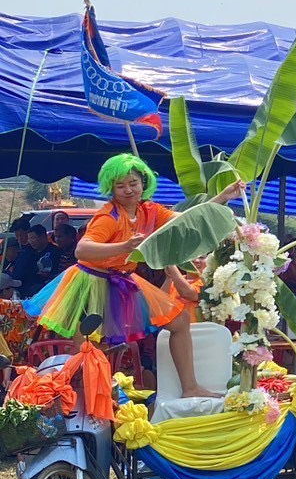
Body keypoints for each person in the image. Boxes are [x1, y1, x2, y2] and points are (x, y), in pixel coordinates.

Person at [25, 153, 243, 398]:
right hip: (90, 282)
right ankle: (87, 400)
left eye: (133, 183)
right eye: (120, 186)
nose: (128, 190)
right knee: (90, 346)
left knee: (179, 322)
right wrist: (124, 246)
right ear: (111, 188)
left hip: (123, 279)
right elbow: (82, 250)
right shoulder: (108, 217)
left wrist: (223, 197)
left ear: (144, 183)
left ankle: (190, 388)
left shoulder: (149, 210)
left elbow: (187, 220)